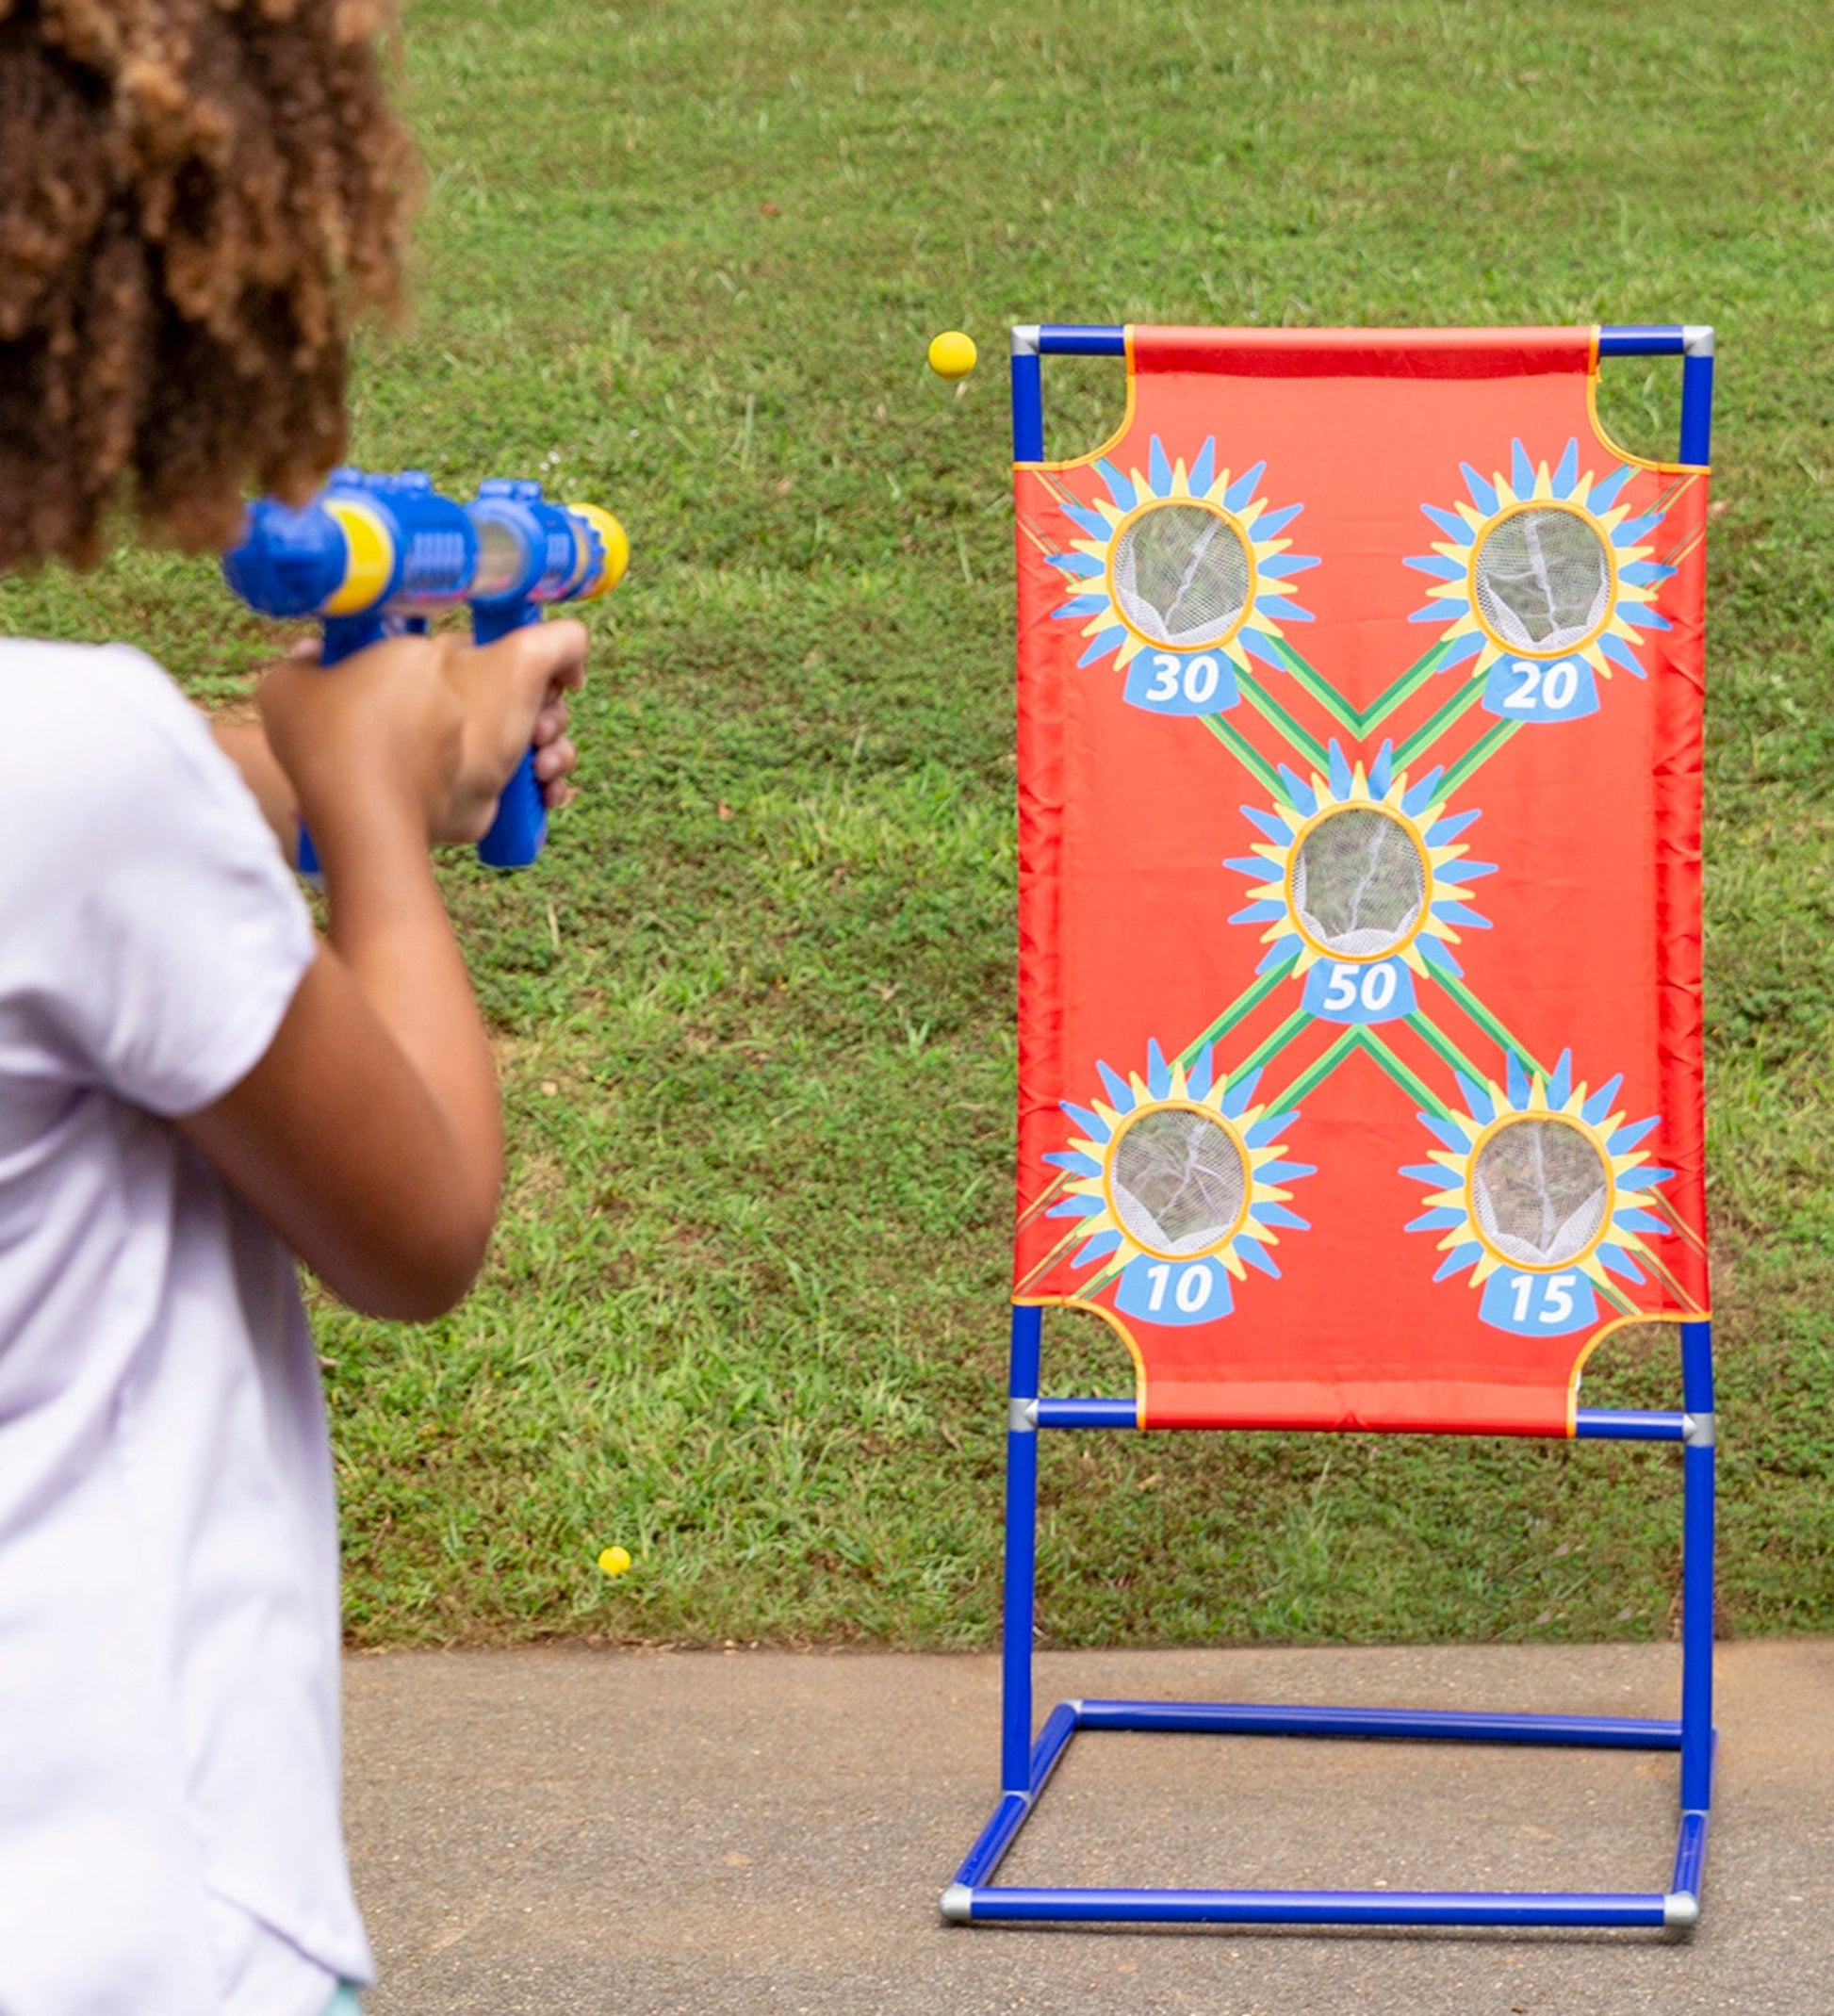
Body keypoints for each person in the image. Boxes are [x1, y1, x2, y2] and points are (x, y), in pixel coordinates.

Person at [0, 5, 584, 2009]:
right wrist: (379, 820)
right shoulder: (78, 773)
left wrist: (362, 767)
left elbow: (110, 852)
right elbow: (416, 1222)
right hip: (134, 1917)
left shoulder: (81, 780)